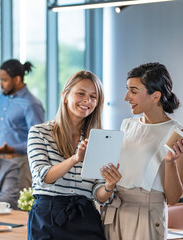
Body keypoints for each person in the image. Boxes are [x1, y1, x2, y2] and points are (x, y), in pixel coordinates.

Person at [94, 62, 183, 240]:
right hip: (115, 211)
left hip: (146, 214)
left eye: (134, 91)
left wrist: (170, 162)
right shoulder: (127, 125)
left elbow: (173, 198)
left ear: (155, 96)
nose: (126, 97)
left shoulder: (176, 133)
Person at [27, 71, 113, 239]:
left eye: (93, 97)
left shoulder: (98, 139)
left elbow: (99, 194)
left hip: (85, 218)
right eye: (81, 93)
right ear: (65, 95)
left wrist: (110, 184)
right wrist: (75, 159)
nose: (87, 101)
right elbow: (43, 176)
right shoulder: (40, 132)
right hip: (48, 218)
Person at [0, 59, 45, 191]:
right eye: (0, 79)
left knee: (17, 205)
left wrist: (12, 149)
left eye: (4, 80)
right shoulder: (2, 97)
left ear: (17, 79)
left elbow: (39, 141)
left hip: (19, 162)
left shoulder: (31, 104)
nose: (1, 84)